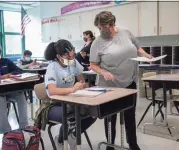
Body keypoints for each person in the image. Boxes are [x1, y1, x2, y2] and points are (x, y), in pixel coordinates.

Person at [90, 11, 152, 150]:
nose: (100, 31)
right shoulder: (97, 43)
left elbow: (137, 48)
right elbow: (93, 64)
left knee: (130, 114)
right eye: (98, 28)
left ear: (111, 25)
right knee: (110, 117)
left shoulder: (126, 32)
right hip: (109, 86)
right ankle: (110, 145)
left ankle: (133, 144)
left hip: (129, 82)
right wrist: (103, 72)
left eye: (102, 28)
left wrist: (146, 55)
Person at [44, 39, 96, 150]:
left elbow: (81, 81)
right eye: (68, 57)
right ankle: (60, 141)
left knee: (93, 112)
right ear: (58, 56)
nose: (72, 59)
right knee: (69, 115)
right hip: (53, 104)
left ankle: (73, 136)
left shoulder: (73, 62)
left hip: (71, 100)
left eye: (73, 56)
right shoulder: (52, 67)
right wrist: (72, 89)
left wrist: (83, 87)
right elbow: (52, 91)